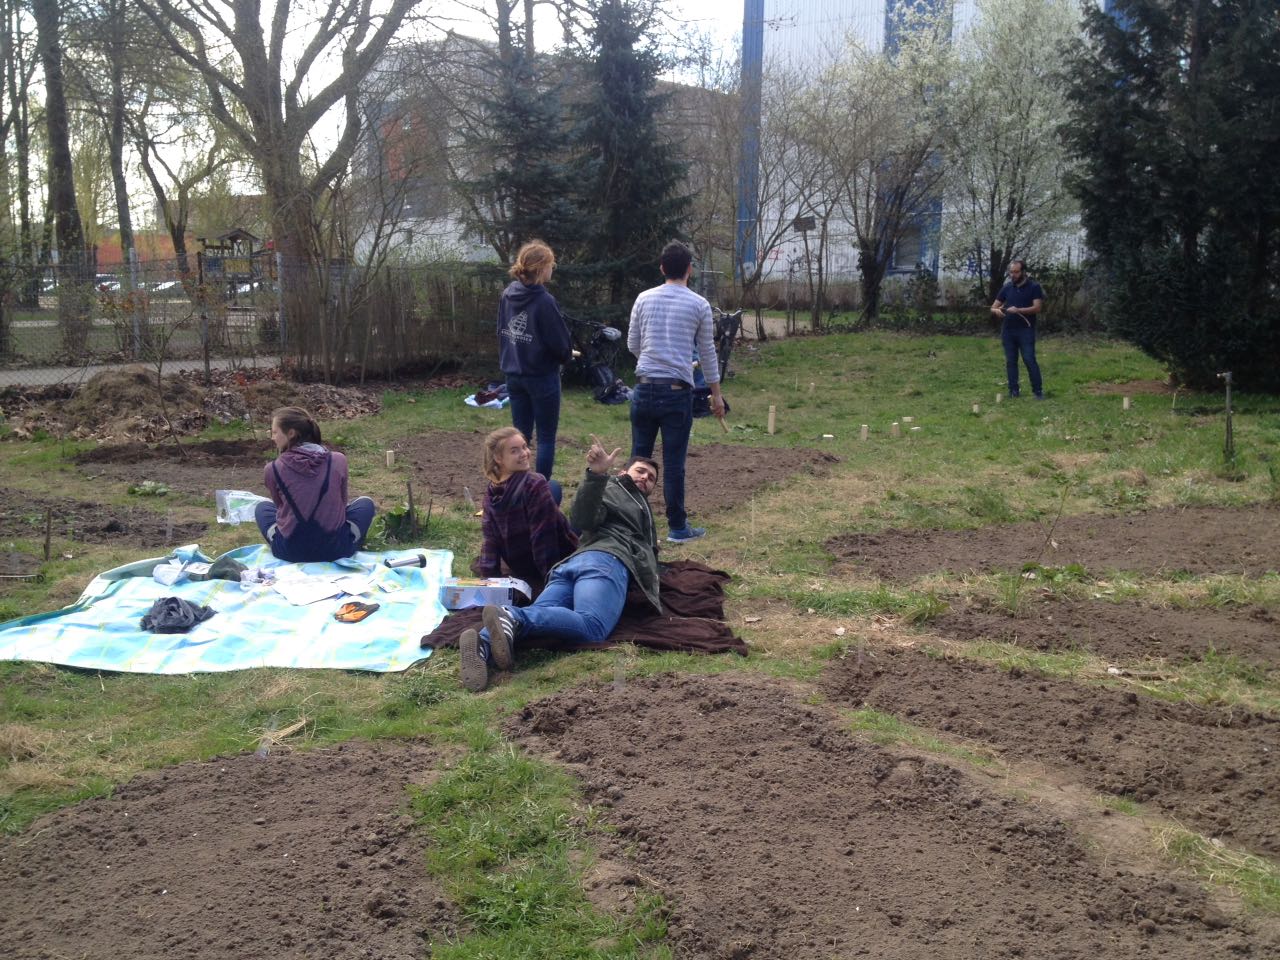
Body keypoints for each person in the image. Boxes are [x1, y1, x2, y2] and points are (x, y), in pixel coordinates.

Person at [459, 436, 660, 692]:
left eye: (651, 478)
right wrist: (597, 476)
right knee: (593, 626)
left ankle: (482, 643)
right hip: (605, 562)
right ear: (623, 472)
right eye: (640, 471)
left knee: (535, 621)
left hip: (570, 568)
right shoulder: (614, 488)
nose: (645, 478)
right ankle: (510, 614)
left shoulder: (639, 507)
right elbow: (584, 518)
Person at [627, 240, 725, 543]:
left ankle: (631, 528)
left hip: (643, 389)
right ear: (689, 270)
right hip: (676, 393)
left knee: (637, 460)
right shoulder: (698, 305)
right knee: (673, 463)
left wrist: (651, 361)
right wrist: (716, 394)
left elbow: (632, 343)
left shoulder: (643, 298)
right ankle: (678, 528)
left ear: (661, 268)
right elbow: (707, 353)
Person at [255, 406, 376, 563]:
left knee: (262, 508)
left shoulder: (272, 469)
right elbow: (342, 503)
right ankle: (351, 540)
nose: (272, 437)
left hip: (289, 552)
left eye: (274, 432)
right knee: (365, 503)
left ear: (291, 433)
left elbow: (280, 510)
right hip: (337, 550)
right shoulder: (338, 460)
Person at [498, 240, 573, 481]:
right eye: (552, 265)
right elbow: (560, 343)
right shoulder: (544, 301)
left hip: (514, 375)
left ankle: (517, 485)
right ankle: (539, 492)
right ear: (541, 269)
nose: (553, 269)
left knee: (519, 438)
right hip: (541, 377)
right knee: (547, 437)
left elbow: (501, 330)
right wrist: (566, 356)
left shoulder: (508, 295)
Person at [472, 426, 578, 596]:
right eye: (515, 451)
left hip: (518, 563)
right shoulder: (535, 484)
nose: (524, 453)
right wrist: (551, 584)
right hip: (557, 561)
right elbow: (544, 539)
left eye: (524, 447)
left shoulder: (491, 492)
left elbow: (489, 541)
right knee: (553, 489)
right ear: (498, 458)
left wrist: (489, 581)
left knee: (553, 488)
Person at [990, 259, 1046, 399]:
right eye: (1011, 272)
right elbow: (993, 306)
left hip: (1025, 330)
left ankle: (1037, 391)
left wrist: (1019, 310)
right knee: (1011, 361)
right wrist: (996, 311)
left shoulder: (1034, 287)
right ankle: (1014, 391)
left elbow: (1037, 308)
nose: (1013, 275)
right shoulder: (1007, 287)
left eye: (1016, 272)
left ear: (1023, 272)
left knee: (1029, 359)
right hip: (1008, 331)